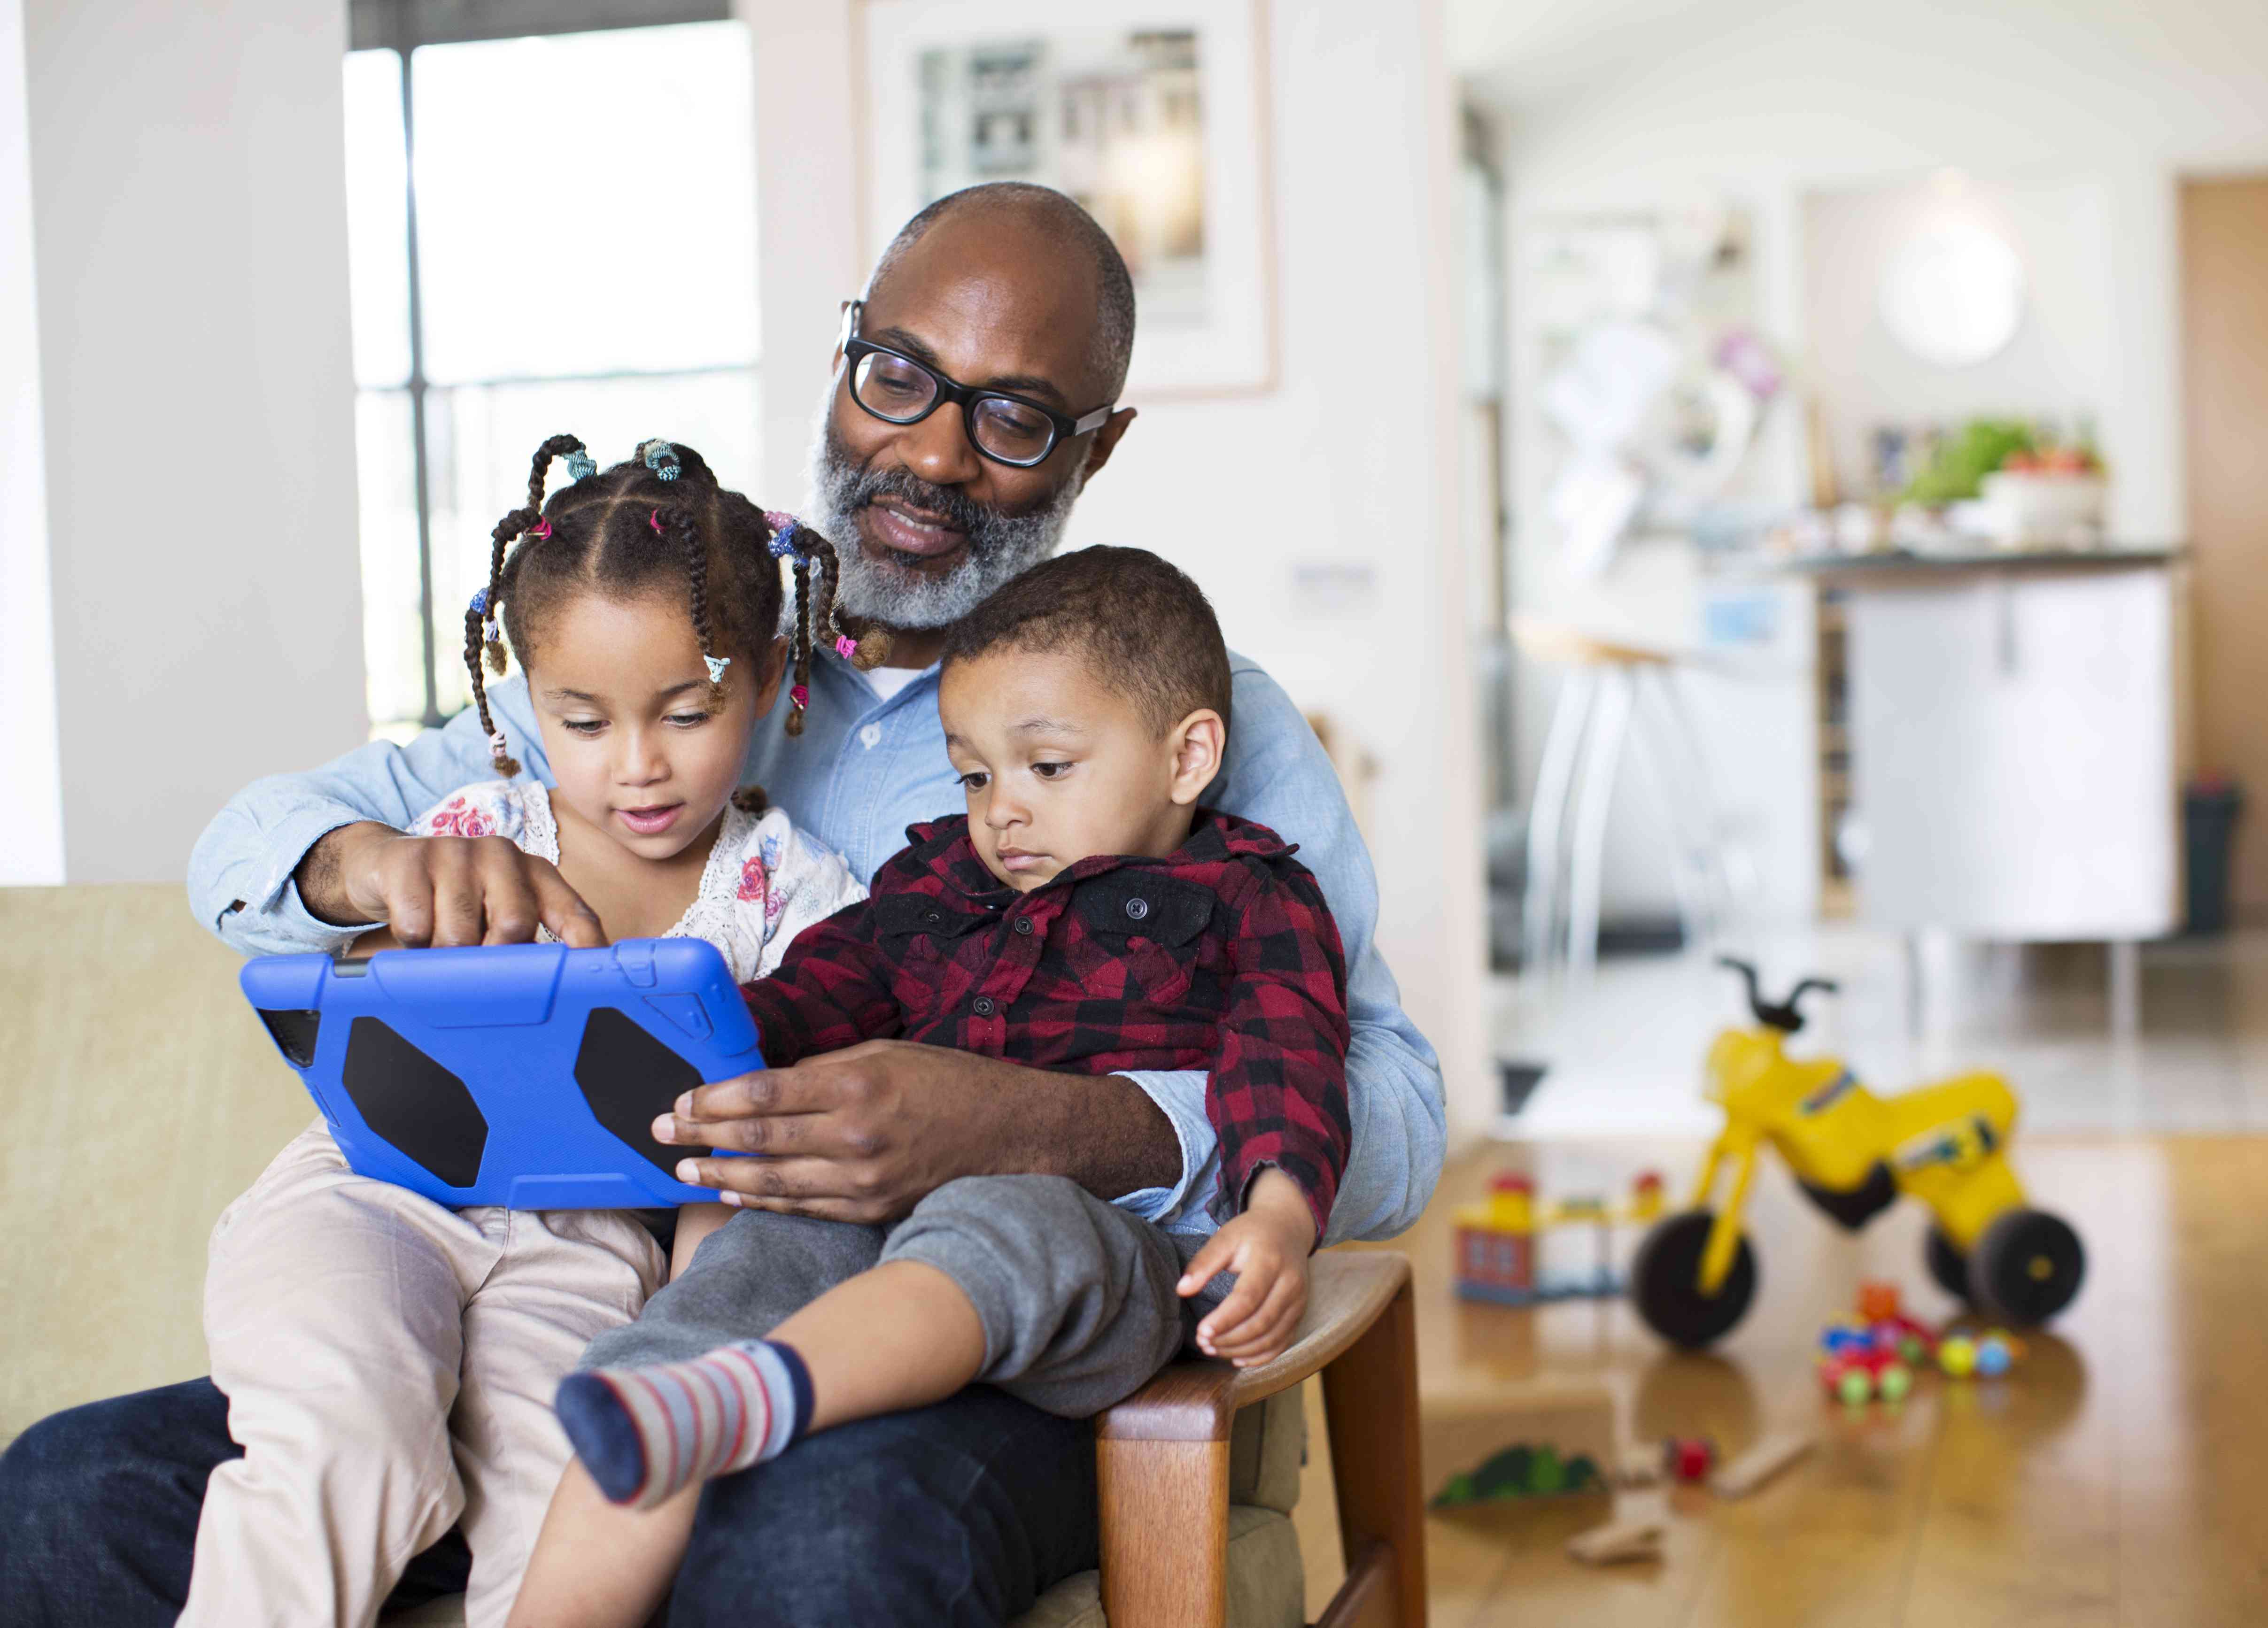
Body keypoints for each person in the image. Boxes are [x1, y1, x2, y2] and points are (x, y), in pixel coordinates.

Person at [0, 182, 1445, 1628]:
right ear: (846, 358)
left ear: (1098, 444)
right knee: (67, 1492)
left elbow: (1391, 1109)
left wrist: (1047, 1122)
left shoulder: (1174, 703)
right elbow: (252, 850)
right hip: (549, 1292)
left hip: (954, 1346)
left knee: (810, 1547)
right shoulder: (673, 632)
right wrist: (366, 867)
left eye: (1012, 419)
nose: (930, 451)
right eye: (899, 377)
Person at [512, 547, 1350, 1628]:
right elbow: (813, 995)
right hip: (872, 1223)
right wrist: (668, 1047)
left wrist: (1279, 1217)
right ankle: (666, 1403)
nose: (1001, 812)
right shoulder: (936, 885)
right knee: (748, 1261)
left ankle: (755, 1399)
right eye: (973, 775)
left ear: (1186, 757)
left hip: (1090, 1252)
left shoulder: (1244, 894)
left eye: (1046, 768)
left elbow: (1287, 1056)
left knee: (1003, 1216)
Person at [185, 434, 870, 1628]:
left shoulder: (801, 901)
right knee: (344, 1439)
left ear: (766, 676)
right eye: (583, 720)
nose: (639, 767)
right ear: (521, 693)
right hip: (373, 1189)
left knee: (572, 1509)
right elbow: (377, 1022)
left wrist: (697, 1321)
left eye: (688, 711)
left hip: (594, 1248)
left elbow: (752, 1161)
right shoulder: (473, 831)